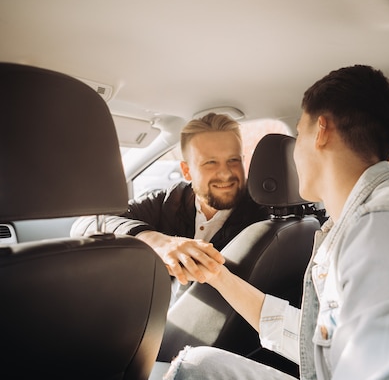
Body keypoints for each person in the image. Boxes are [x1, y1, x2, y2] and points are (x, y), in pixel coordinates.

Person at [154, 65, 389, 380]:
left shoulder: (388, 230)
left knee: (194, 372)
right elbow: (320, 342)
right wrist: (218, 276)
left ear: (321, 132)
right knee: (200, 366)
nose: (294, 152)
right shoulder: (361, 222)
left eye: (298, 134)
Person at [71, 112, 269, 300]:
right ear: (187, 171)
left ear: (243, 161)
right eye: (210, 162)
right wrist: (158, 242)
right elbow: (87, 223)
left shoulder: (264, 217)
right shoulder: (168, 201)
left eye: (233, 160)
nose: (225, 173)